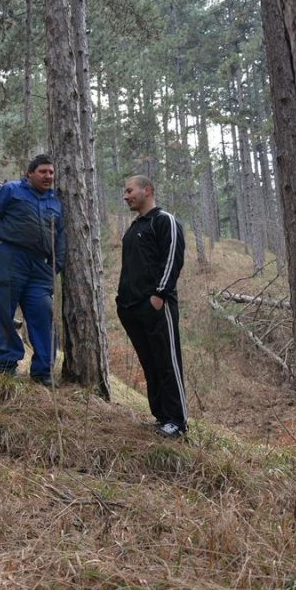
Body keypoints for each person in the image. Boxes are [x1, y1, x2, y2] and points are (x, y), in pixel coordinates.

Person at [0, 154, 65, 386]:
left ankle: (43, 372)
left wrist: (55, 266)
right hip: (9, 257)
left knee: (43, 314)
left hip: (40, 267)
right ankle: (7, 368)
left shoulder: (55, 202)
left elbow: (60, 237)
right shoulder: (11, 190)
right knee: (4, 313)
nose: (48, 176)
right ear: (30, 173)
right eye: (43, 171)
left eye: (51, 172)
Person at [116, 175, 187, 438]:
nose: (126, 196)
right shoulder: (135, 226)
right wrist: (122, 302)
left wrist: (159, 295)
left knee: (167, 362)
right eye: (125, 192)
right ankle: (161, 418)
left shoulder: (164, 220)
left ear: (147, 190)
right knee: (150, 364)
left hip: (157, 307)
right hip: (131, 308)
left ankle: (177, 422)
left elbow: (172, 259)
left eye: (130, 190)